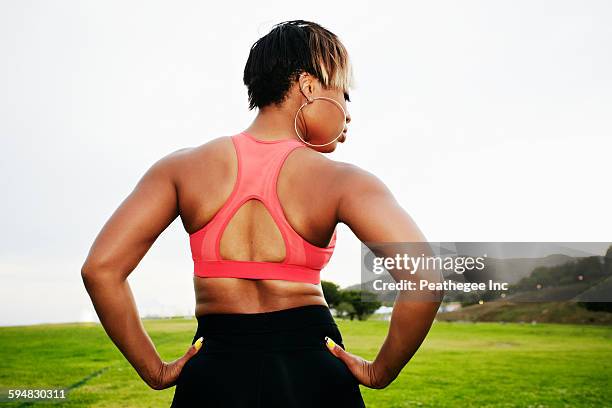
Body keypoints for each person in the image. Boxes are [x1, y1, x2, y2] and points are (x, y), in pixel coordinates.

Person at [81, 19, 442, 407]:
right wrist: (380, 371)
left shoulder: (180, 169)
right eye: (343, 94)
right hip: (312, 372)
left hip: (214, 371)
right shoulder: (344, 181)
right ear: (308, 86)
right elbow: (424, 278)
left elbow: (101, 269)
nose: (347, 114)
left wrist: (154, 371)